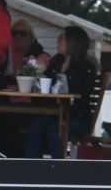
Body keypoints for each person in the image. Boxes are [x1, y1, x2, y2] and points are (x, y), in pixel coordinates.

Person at [25, 26, 96, 158]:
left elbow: (80, 95)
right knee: (35, 126)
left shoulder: (85, 67)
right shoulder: (55, 63)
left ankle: (58, 171)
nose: (58, 41)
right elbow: (43, 92)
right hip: (55, 115)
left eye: (62, 38)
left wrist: (64, 75)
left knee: (55, 130)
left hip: (76, 118)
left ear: (73, 41)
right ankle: (32, 170)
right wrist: (39, 73)